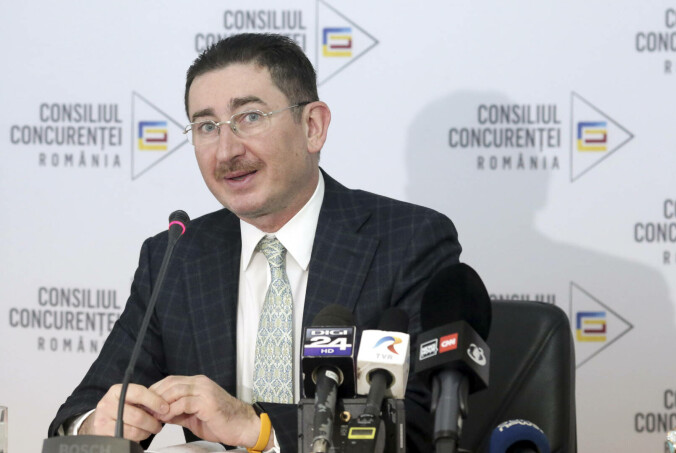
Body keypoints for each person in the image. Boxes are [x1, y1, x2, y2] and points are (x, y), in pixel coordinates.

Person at [48, 33, 462, 452]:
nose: (226, 151)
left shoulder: (408, 242)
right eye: (207, 127)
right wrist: (94, 425)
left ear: (313, 127)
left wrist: (256, 426)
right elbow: (80, 411)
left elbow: (425, 425)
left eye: (249, 117)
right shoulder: (176, 257)